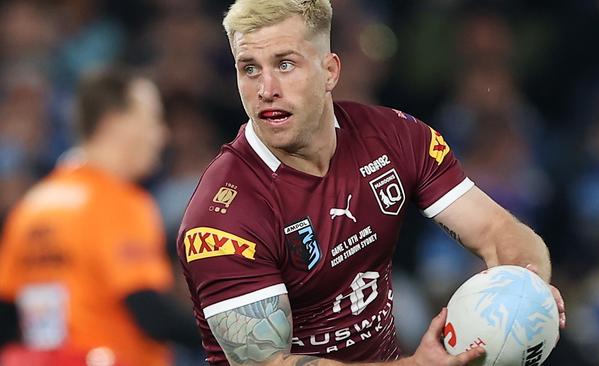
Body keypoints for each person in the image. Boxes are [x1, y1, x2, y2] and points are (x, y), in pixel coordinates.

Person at [177, 1, 566, 365]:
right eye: (249, 68)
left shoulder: (393, 137)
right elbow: (272, 364)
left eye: (285, 64)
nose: (266, 89)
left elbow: (496, 229)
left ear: (329, 71)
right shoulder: (220, 219)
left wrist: (525, 287)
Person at [0, 68, 200, 366]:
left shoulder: (31, 207)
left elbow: (7, 315)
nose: (163, 135)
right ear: (115, 123)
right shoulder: (119, 203)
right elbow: (149, 314)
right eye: (154, 120)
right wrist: (233, 336)